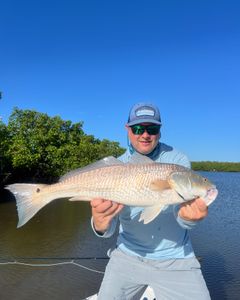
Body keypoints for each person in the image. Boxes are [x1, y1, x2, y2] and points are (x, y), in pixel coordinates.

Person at [90, 102, 211, 300]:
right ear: (128, 130)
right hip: (127, 255)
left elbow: (181, 216)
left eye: (152, 128)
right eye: (138, 128)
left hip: (176, 258)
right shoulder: (115, 168)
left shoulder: (177, 161)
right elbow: (107, 228)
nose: (145, 134)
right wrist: (100, 224)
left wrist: (190, 219)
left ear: (159, 132)